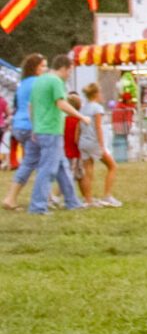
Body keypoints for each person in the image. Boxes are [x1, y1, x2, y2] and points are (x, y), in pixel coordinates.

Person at [2, 55, 83, 215]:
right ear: (36, 67)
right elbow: (52, 102)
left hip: (23, 125)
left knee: (58, 164)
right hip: (37, 126)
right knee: (45, 165)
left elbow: (25, 103)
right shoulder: (44, 81)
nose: (46, 69)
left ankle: (71, 201)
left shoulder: (25, 82)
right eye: (43, 66)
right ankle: (38, 203)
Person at [76, 85, 117, 206]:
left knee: (88, 170)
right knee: (112, 166)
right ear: (96, 94)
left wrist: (77, 140)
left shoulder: (83, 108)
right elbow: (98, 127)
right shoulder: (97, 108)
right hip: (94, 142)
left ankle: (88, 199)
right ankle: (107, 195)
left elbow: (79, 126)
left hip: (83, 142)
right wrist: (102, 145)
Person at [62, 90, 91, 205]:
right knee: (78, 176)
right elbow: (76, 139)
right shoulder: (78, 121)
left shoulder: (64, 120)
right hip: (74, 153)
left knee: (69, 175)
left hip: (65, 152)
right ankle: (83, 198)